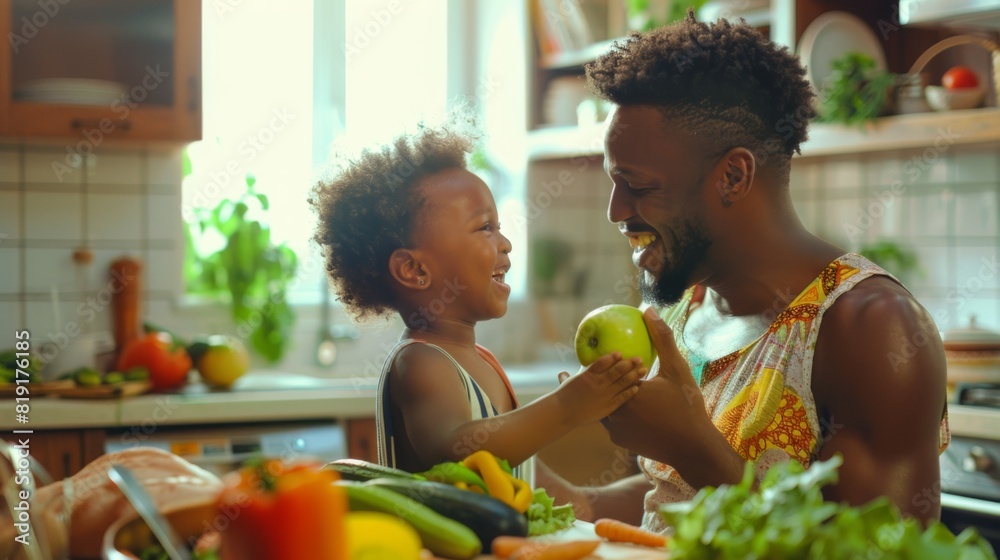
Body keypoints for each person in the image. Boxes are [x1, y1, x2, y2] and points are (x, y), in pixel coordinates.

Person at [549, 14, 950, 532]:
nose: (615, 210)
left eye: (638, 186)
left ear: (733, 176)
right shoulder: (682, 307)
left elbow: (876, 549)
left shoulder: (870, 329)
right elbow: (670, 500)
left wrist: (690, 445)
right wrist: (555, 487)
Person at [310, 120, 645, 474]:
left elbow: (532, 484)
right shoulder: (420, 363)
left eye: (498, 227)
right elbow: (454, 453)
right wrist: (567, 407)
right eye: (485, 227)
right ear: (414, 270)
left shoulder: (483, 362)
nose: (505, 243)